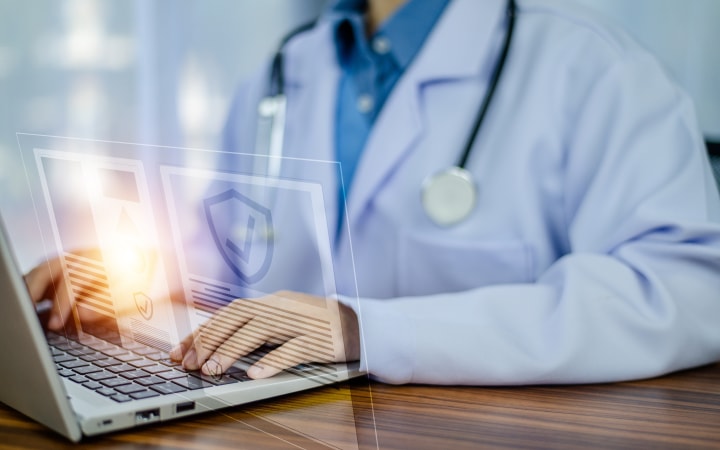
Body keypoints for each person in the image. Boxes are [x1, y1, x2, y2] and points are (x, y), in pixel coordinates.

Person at [27, 0, 720, 385]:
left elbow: (688, 293)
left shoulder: (593, 68)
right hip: (287, 426)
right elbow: (232, 256)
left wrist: (366, 328)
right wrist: (131, 277)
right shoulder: (280, 71)